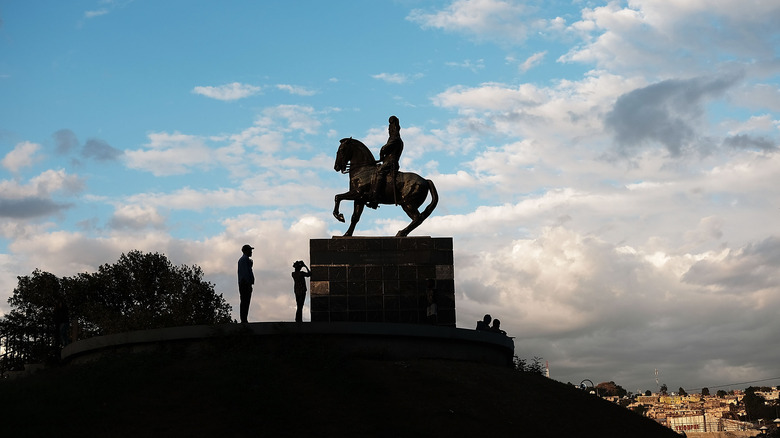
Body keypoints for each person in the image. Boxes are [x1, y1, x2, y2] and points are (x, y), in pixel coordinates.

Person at [368, 115, 404, 208]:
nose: (389, 129)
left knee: (379, 172)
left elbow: (384, 148)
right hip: (389, 162)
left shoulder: (395, 139)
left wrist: (381, 156)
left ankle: (375, 198)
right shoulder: (396, 139)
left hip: (390, 163)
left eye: (390, 127)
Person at [237, 244, 255, 324]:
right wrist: (248, 283)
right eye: (250, 250)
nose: (251, 252)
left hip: (245, 284)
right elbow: (245, 274)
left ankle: (244, 319)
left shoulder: (245, 260)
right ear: (245, 251)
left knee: (245, 301)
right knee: (245, 301)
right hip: (245, 284)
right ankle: (244, 319)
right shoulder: (244, 260)